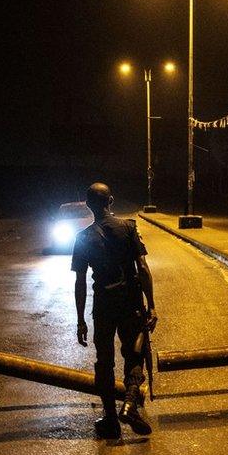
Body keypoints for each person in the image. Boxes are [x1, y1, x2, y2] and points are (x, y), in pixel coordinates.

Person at [72, 182, 158, 439]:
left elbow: (80, 282)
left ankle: (111, 419)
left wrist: (80, 320)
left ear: (88, 205)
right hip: (130, 303)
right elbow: (142, 268)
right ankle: (130, 404)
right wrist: (151, 304)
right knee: (135, 355)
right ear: (111, 201)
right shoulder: (128, 227)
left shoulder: (83, 237)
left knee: (104, 362)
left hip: (104, 305)